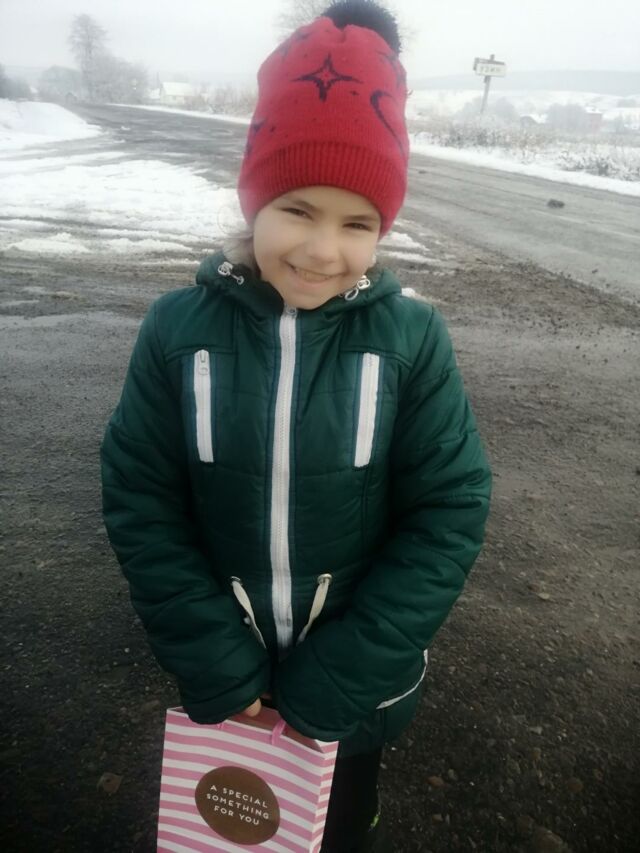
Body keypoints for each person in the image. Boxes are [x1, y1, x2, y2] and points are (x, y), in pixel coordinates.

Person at [100, 1, 492, 850]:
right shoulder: (175, 330)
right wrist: (212, 655)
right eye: (299, 209)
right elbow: (141, 496)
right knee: (232, 827)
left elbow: (449, 510)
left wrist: (346, 673)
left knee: (339, 822)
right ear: (254, 201)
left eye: (358, 223)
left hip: (355, 692)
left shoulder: (412, 339)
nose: (322, 250)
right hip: (225, 677)